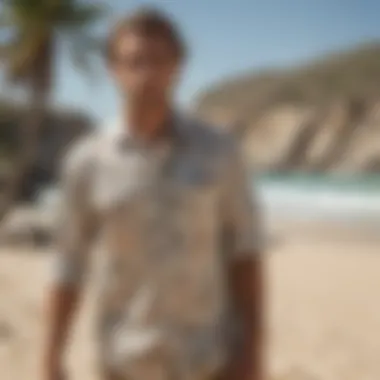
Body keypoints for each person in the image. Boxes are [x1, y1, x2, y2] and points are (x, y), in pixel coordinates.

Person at [44, 7, 265, 380]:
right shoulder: (87, 162)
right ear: (113, 69)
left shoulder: (219, 153)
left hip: (208, 362)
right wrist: (51, 359)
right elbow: (69, 264)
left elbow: (244, 253)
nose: (146, 74)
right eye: (134, 61)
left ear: (177, 66)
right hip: (124, 363)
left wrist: (252, 356)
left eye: (158, 60)